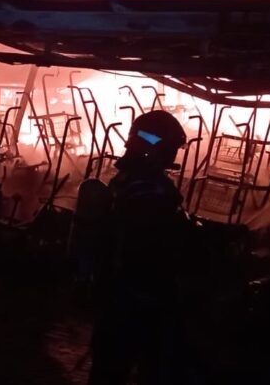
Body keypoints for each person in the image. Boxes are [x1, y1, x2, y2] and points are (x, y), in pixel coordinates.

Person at [89, 110, 190, 385]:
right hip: (138, 296)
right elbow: (148, 249)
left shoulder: (126, 181)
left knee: (109, 368)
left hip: (118, 294)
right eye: (171, 148)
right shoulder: (148, 191)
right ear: (158, 146)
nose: (174, 155)